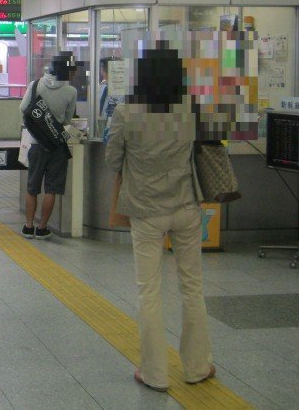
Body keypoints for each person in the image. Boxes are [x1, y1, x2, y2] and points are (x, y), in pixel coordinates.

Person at [105, 46, 215, 392]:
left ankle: (154, 374)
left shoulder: (126, 111)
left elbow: (112, 159)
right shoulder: (190, 109)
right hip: (186, 207)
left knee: (148, 291)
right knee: (192, 287)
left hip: (146, 211)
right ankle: (197, 367)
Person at [19, 52, 77, 239]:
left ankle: (28, 226)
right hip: (57, 146)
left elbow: (23, 108)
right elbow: (68, 119)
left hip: (36, 143)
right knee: (51, 189)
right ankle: (42, 227)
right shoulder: (71, 91)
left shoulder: (35, 85)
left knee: (32, 187)